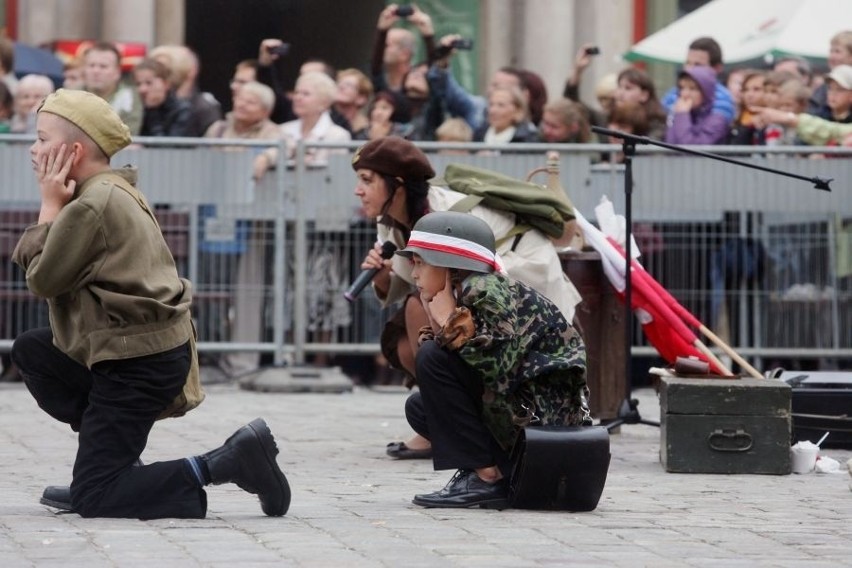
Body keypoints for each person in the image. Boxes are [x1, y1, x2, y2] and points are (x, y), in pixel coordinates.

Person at [10, 88, 290, 518]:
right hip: (129, 353)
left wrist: (49, 205)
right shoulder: (104, 190)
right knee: (34, 349)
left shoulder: (93, 203)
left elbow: (43, 279)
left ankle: (226, 462)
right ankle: (114, 466)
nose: (34, 149)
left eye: (43, 138)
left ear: (74, 150)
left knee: (94, 497)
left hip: (138, 363)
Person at [351, 136, 582, 459]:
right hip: (478, 291)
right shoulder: (390, 221)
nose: (358, 190)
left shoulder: (446, 214)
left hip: (524, 280)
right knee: (409, 341)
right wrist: (381, 277)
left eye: (367, 180)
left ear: (397, 185)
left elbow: (463, 285)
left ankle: (460, 432)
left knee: (423, 312)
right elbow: (411, 280)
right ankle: (446, 418)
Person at [392, 211, 589, 508]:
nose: (414, 273)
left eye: (420, 262)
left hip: (544, 421)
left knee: (432, 359)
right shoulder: (466, 292)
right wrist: (439, 320)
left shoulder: (487, 290)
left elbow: (498, 370)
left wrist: (448, 322)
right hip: (526, 410)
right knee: (421, 408)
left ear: (450, 263)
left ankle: (486, 477)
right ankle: (489, 472)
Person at [660, 36, 736, 124]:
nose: (689, 69)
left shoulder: (723, 100)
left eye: (698, 65)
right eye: (688, 63)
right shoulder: (674, 92)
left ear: (717, 68)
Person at [82, 41, 144, 135]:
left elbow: (129, 133)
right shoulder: (69, 94)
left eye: (103, 66)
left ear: (117, 72)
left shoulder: (129, 96)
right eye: (91, 65)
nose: (96, 71)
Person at [664, 66, 729, 145]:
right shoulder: (678, 113)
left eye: (692, 89)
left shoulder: (717, 121)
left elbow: (690, 149)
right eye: (681, 88)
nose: (685, 94)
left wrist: (682, 115)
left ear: (706, 92)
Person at [132, 58, 192, 137]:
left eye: (149, 83)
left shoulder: (183, 111)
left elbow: (170, 147)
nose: (142, 89)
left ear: (165, 84)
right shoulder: (136, 109)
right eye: (138, 84)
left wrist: (152, 115)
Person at [807, 30, 852, 119]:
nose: (832, 57)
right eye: (831, 51)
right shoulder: (824, 86)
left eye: (837, 52)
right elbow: (813, 112)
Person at [473, 85, 539, 143]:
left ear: (518, 111)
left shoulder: (528, 140)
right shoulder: (478, 134)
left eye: (501, 105)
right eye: (491, 104)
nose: (493, 110)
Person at [614, 67, 667, 140]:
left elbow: (651, 149)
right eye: (619, 87)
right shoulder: (610, 116)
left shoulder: (655, 123)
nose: (620, 93)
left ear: (644, 95)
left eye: (628, 88)